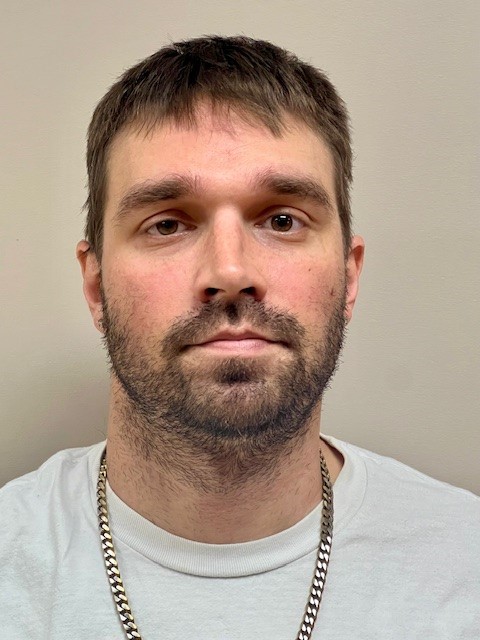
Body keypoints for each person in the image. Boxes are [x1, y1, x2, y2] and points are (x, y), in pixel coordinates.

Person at [1, 35, 478, 640]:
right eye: (166, 224)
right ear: (96, 286)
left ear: (349, 277)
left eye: (282, 220)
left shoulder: (464, 565)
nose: (230, 272)